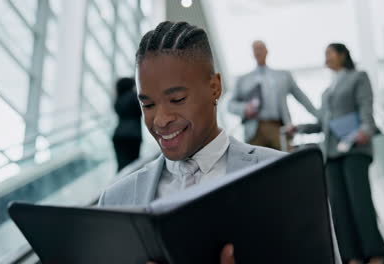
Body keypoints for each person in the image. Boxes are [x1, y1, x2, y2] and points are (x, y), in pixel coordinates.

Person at [99, 21, 340, 264]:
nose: (160, 120)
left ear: (214, 87)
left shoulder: (290, 179)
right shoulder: (115, 202)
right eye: (148, 105)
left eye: (177, 99)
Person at [292, 43, 384, 264]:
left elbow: (366, 108)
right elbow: (322, 123)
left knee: (359, 202)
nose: (325, 57)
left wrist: (365, 130)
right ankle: (351, 256)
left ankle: (375, 254)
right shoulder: (327, 90)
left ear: (342, 55)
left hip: (355, 148)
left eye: (329, 53)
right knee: (339, 207)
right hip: (332, 154)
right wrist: (299, 128)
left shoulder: (358, 77)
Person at [228, 40, 318, 150]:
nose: (258, 52)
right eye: (255, 49)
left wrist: (319, 116)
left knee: (287, 160)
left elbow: (301, 97)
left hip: (278, 127)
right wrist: (244, 108)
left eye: (260, 48)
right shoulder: (243, 80)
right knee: (260, 164)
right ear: (252, 54)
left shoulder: (283, 76)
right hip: (254, 130)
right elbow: (230, 105)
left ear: (267, 51)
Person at [112, 77, 142, 171]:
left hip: (118, 135)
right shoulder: (134, 97)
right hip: (133, 134)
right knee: (133, 166)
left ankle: (118, 184)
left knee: (121, 166)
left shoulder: (118, 99)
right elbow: (142, 111)